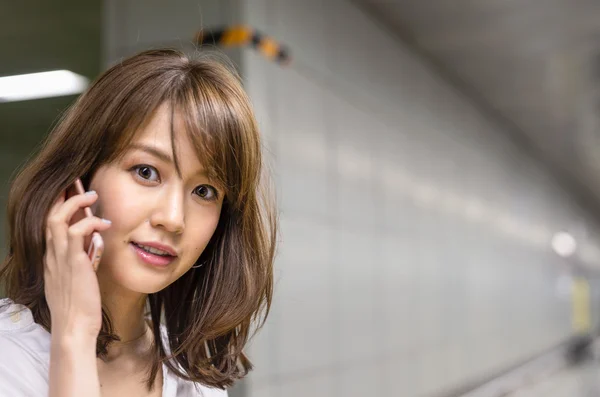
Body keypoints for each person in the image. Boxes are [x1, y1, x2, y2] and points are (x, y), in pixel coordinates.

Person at [0, 48, 276, 397]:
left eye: (205, 191)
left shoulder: (194, 378)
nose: (173, 219)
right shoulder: (9, 360)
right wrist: (74, 338)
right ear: (79, 180)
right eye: (146, 172)